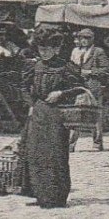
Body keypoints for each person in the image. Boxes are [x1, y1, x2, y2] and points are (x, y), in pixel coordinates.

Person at [22, 28, 85, 209]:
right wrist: (31, 105)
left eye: (48, 49)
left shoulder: (65, 67)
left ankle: (57, 197)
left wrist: (61, 93)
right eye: (41, 49)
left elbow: (80, 87)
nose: (44, 52)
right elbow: (23, 87)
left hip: (58, 114)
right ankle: (41, 195)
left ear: (56, 49)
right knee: (35, 153)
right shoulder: (34, 66)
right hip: (38, 112)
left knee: (56, 154)